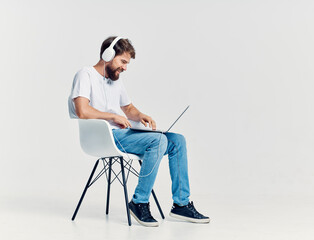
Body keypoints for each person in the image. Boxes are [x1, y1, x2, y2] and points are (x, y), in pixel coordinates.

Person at [68, 36, 210, 227]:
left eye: (127, 63)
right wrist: (112, 117)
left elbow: (128, 109)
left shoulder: (115, 80)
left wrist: (142, 115)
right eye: (123, 62)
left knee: (177, 140)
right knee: (158, 142)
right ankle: (139, 202)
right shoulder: (85, 75)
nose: (125, 67)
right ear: (107, 55)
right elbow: (82, 111)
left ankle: (181, 204)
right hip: (104, 137)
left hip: (123, 133)